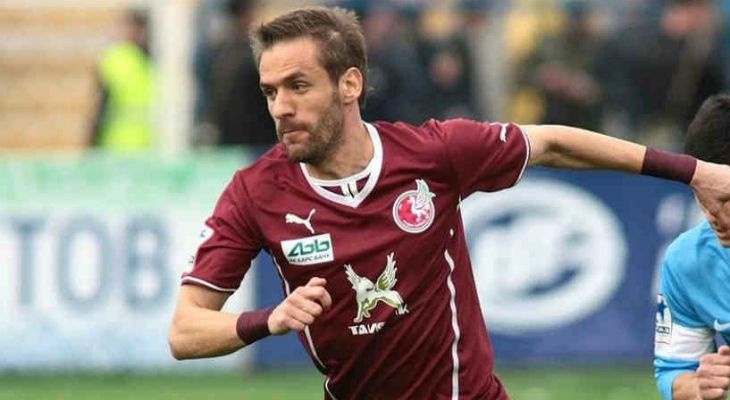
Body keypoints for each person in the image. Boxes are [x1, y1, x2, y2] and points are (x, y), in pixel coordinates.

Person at [168, 7, 730, 399]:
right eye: (270, 92)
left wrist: (695, 172)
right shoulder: (255, 192)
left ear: (349, 84)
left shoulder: (432, 154)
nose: (280, 107)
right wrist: (268, 319)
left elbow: (554, 143)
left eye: (298, 86)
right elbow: (185, 331)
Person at [654, 94, 730, 400]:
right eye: (701, 194)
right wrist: (700, 387)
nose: (712, 213)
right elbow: (674, 372)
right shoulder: (688, 261)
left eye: (726, 198)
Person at [90, 9, 155, 151]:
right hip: (150, 146)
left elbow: (99, 107)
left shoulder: (114, 59)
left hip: (118, 145)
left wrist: (91, 142)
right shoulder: (158, 62)